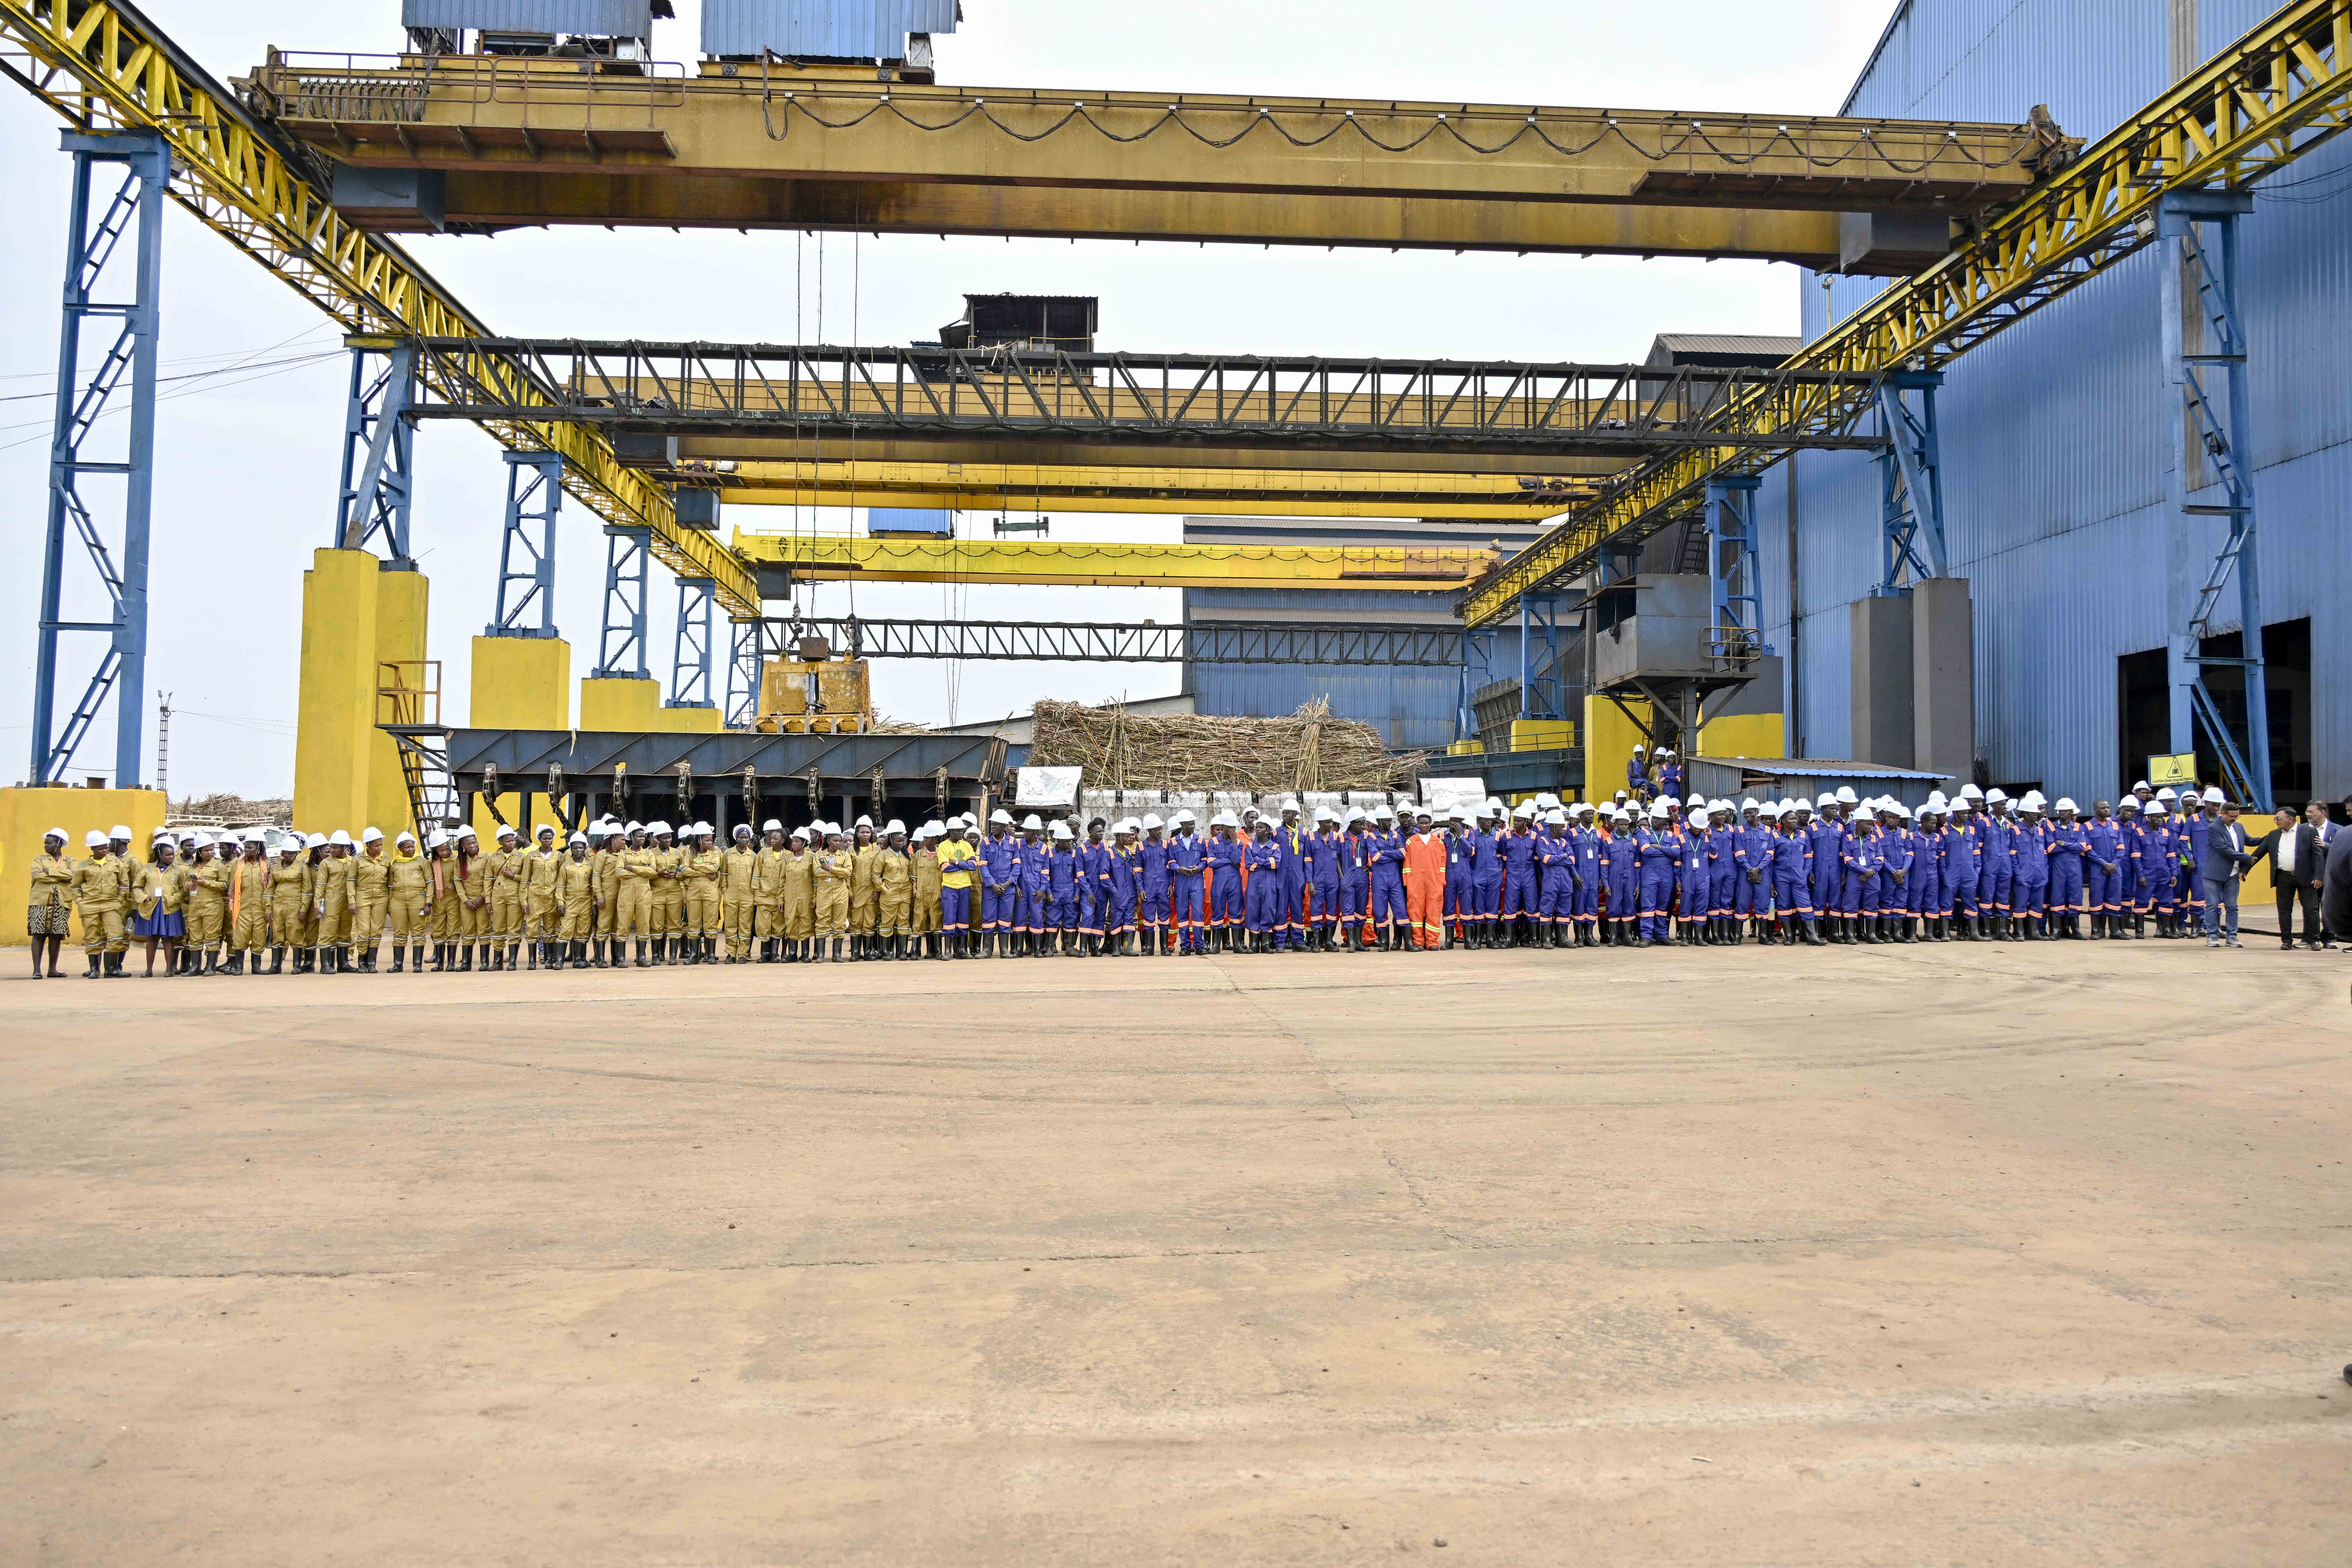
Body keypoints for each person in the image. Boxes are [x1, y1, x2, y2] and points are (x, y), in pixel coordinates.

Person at [2248, 805, 2324, 951]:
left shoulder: (2308, 831)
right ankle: (2287, 941)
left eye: (2278, 818)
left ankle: (2314, 940)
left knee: (2311, 909)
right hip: (2283, 877)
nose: (2276, 821)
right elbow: (2259, 853)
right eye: (2275, 818)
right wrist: (2245, 870)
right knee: (2284, 910)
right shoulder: (2274, 835)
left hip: (2306, 877)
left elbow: (2318, 855)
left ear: (2290, 819)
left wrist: (2319, 876)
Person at [2196, 787, 2255, 948]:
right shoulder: (2214, 828)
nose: (2235, 819)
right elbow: (2224, 850)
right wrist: (2248, 858)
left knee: (2232, 907)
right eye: (2232, 817)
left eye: (2238, 816)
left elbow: (2249, 840)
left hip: (2233, 874)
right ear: (2223, 813)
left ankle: (2232, 937)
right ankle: (2212, 936)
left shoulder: (2239, 827)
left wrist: (2270, 838)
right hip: (2214, 875)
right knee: (2212, 906)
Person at [26, 826, 75, 979]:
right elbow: (37, 875)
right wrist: (61, 877)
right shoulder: (38, 859)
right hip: (40, 902)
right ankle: (37, 970)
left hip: (61, 903)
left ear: (59, 844)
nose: (46, 846)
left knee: (56, 935)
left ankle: (52, 969)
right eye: (45, 843)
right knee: (39, 934)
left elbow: (74, 875)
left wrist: (51, 872)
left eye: (50, 843)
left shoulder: (71, 861)